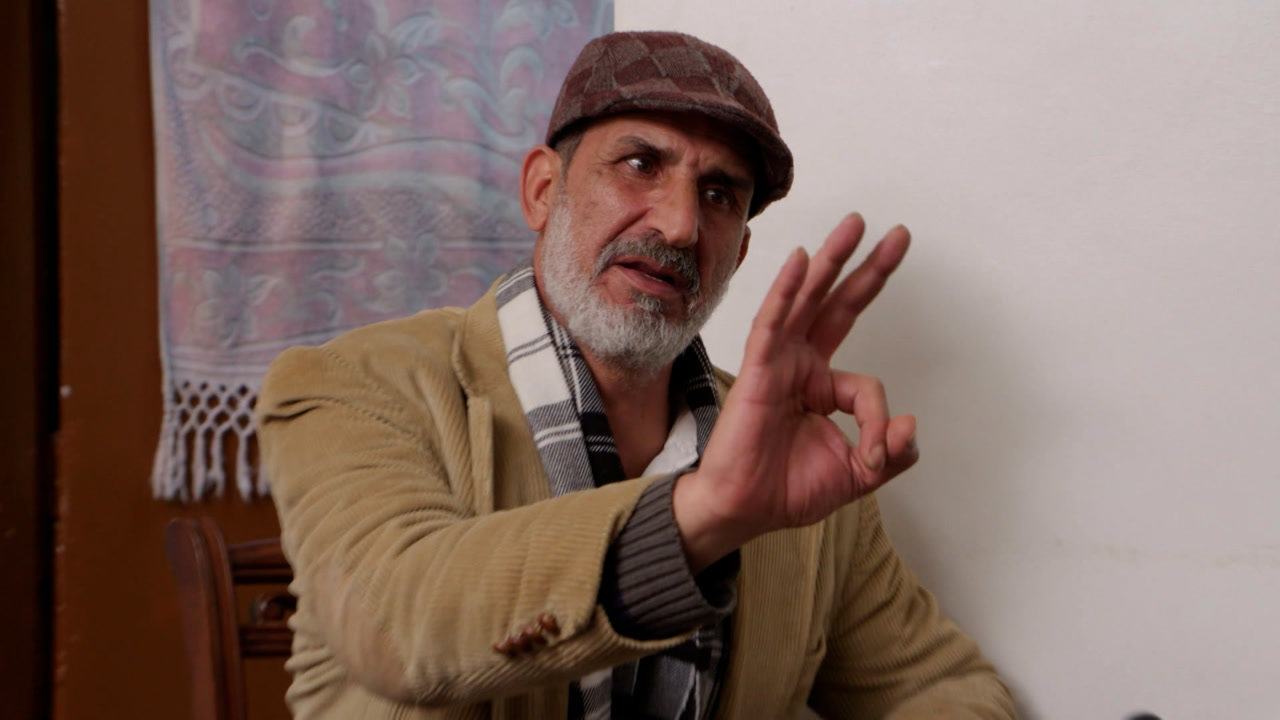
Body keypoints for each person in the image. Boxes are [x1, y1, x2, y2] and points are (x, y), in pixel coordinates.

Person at [256, 30, 1016, 720]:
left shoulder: (789, 445)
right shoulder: (354, 386)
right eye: (640, 164)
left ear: (739, 253)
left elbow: (943, 688)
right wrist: (703, 514)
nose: (680, 225)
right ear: (543, 191)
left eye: (719, 195)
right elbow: (397, 627)